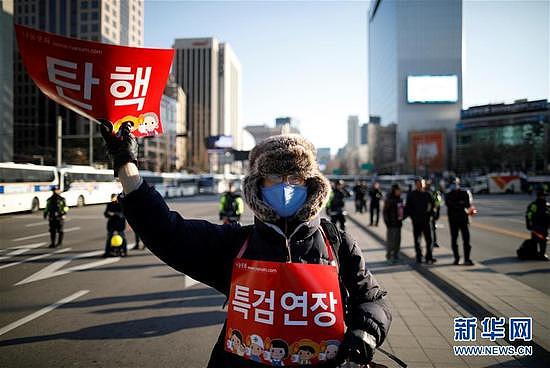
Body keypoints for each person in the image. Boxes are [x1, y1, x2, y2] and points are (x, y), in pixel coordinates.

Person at [100, 122, 391, 368]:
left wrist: (365, 333)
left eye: (296, 178)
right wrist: (128, 169)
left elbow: (373, 299)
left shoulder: (338, 244)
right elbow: (168, 233)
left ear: (311, 185)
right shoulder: (236, 244)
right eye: (274, 177)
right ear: (258, 186)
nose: (286, 186)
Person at [405, 177, 436, 264]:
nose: (421, 185)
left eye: (422, 183)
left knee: (429, 240)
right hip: (416, 221)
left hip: (427, 220)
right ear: (416, 184)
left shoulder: (428, 194)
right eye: (419, 183)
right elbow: (408, 208)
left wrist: (431, 216)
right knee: (417, 240)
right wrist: (412, 217)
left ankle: (429, 256)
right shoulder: (411, 195)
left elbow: (433, 206)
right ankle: (419, 256)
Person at [445, 178, 474, 265]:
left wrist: (457, 204)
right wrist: (460, 204)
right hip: (453, 221)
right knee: (454, 240)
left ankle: (467, 259)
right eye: (453, 183)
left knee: (466, 240)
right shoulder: (448, 194)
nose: (454, 185)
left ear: (459, 183)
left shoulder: (464, 192)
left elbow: (468, 204)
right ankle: (456, 258)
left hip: (464, 220)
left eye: (456, 183)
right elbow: (449, 204)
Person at [525, 186, 550, 261]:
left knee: (537, 240)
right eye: (543, 196)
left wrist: (529, 225)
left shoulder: (537, 205)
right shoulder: (538, 205)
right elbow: (529, 215)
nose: (544, 197)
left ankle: (537, 254)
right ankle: (541, 255)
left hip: (539, 226)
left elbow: (528, 215)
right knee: (541, 240)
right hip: (539, 226)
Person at [383, 184, 404, 264]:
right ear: (394, 190)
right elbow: (385, 212)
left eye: (400, 190)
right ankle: (389, 257)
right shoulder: (389, 200)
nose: (399, 192)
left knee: (397, 241)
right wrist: (387, 223)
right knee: (391, 242)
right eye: (398, 190)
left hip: (398, 224)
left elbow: (401, 212)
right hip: (391, 224)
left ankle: (396, 255)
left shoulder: (400, 199)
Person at [427, 180, 443, 249]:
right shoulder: (422, 191)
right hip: (424, 215)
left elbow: (438, 203)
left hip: (431, 214)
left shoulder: (434, 192)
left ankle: (434, 242)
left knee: (433, 228)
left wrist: (437, 213)